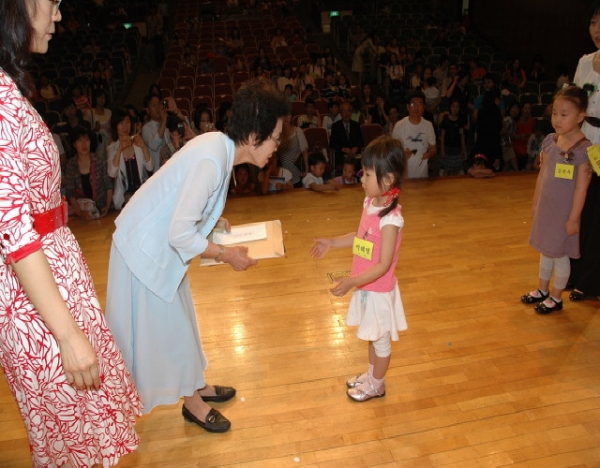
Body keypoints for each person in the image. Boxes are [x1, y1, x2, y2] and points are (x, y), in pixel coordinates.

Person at [0, 1, 141, 466]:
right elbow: (14, 231)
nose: (58, 15)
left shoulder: (8, 89)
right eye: (52, 2)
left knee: (83, 438)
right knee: (73, 439)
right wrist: (65, 334)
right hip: (37, 303)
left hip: (52, 280)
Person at [104, 80, 289, 433]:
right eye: (275, 138)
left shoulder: (218, 148)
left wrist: (211, 220)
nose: (277, 146)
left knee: (183, 321)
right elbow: (179, 233)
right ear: (254, 136)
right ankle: (193, 404)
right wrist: (225, 254)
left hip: (155, 246)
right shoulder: (213, 157)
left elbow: (182, 199)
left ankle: (197, 386)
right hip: (143, 250)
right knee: (171, 331)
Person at [310, 135, 408, 401]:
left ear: (387, 179)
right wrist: (333, 242)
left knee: (380, 340)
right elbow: (361, 237)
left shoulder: (391, 220)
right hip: (365, 285)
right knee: (371, 335)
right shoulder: (370, 203)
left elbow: (384, 264)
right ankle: (371, 375)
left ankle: (378, 384)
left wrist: (354, 281)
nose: (361, 179)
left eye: (367, 174)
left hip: (378, 290)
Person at [520, 86, 592, 314]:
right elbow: (542, 175)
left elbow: (581, 188)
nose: (557, 119)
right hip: (547, 209)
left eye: (564, 114)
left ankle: (556, 297)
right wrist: (535, 202)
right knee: (546, 250)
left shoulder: (584, 150)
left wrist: (574, 218)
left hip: (564, 214)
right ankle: (542, 289)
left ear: (580, 116)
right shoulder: (550, 141)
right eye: (554, 113)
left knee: (560, 255)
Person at [569, 2, 600, 302]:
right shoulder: (584, 62)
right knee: (578, 209)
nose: (597, 29)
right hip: (584, 140)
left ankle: (592, 282)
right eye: (593, 22)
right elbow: (573, 105)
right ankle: (574, 273)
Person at [107, 107, 154, 209]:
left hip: (141, 193)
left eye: (128, 122)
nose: (125, 127)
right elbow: (112, 173)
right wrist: (119, 150)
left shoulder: (137, 143)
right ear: (115, 126)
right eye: (121, 123)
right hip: (123, 198)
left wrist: (143, 147)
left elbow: (150, 167)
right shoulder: (112, 148)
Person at [64, 126, 113, 219]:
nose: (84, 144)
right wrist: (80, 213)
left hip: (101, 209)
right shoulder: (71, 165)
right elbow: (70, 193)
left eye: (87, 140)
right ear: (74, 144)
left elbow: (109, 186)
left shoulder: (99, 161)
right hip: (81, 210)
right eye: (79, 141)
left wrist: (107, 206)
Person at [392, 90, 437, 179]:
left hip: (422, 175)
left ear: (424, 107)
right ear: (408, 107)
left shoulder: (428, 125)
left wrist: (430, 154)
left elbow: (433, 147)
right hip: (404, 176)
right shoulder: (399, 125)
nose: (416, 107)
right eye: (413, 104)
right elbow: (393, 151)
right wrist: (402, 155)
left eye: (420, 103)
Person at [277, 113, 309, 187]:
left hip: (296, 172)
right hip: (282, 174)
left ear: (291, 116)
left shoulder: (297, 131)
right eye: (283, 115)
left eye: (288, 115)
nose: (286, 118)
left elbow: (304, 151)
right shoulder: (277, 133)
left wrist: (307, 170)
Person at [330, 101, 364, 171]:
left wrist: (356, 148)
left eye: (348, 111)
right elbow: (332, 143)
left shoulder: (356, 125)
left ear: (351, 113)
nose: (346, 114)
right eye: (344, 111)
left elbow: (361, 141)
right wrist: (343, 149)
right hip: (342, 154)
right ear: (341, 113)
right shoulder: (336, 126)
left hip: (355, 154)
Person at [439, 98, 467, 176]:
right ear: (450, 107)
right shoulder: (445, 120)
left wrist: (463, 149)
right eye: (453, 106)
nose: (455, 109)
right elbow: (442, 136)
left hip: (457, 148)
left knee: (457, 170)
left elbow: (462, 135)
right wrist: (442, 150)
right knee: (446, 170)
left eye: (457, 107)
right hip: (447, 148)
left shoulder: (460, 121)